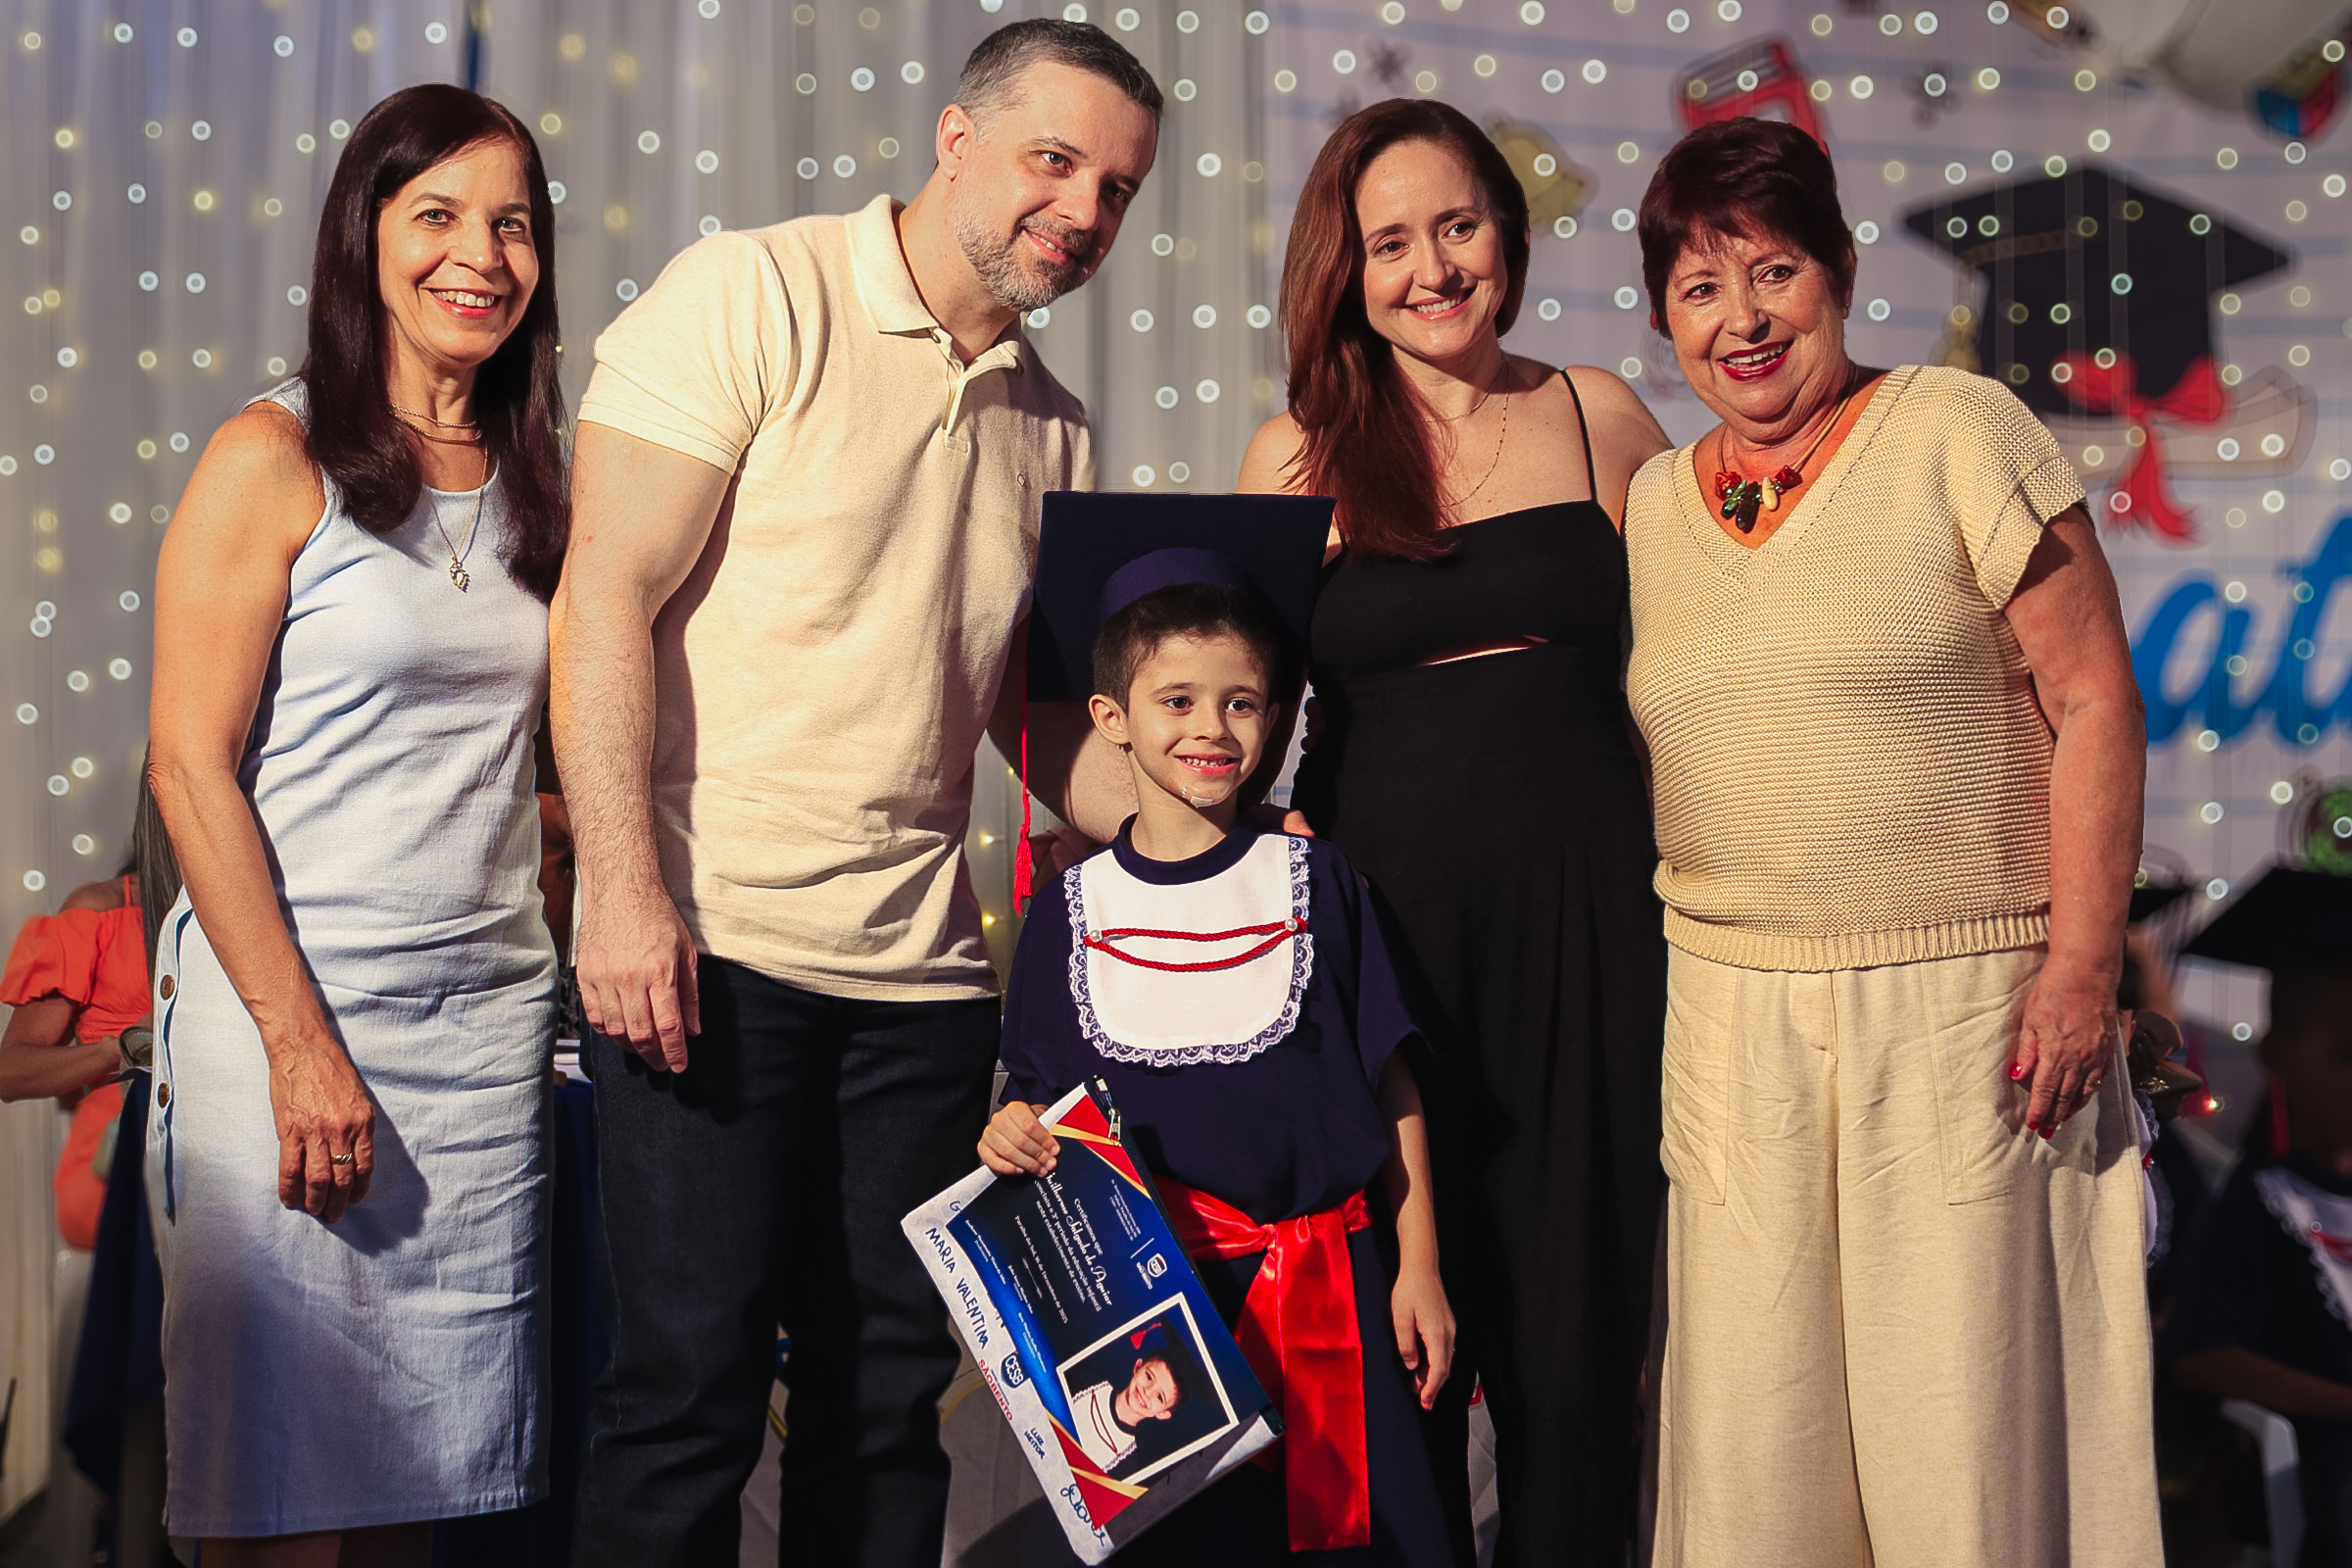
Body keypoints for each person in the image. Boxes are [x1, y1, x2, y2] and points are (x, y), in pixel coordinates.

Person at [549, 21, 1159, 1564]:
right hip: (707, 953)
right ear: (956, 137)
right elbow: (603, 593)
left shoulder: (1056, 423)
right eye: (1054, 161)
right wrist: (619, 890)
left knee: (885, 1414)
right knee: (684, 1402)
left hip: (924, 993)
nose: (1083, 212)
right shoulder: (751, 291)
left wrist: (1204, 834)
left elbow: (1030, 714)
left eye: (1117, 189)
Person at [1622, 117, 2157, 1565]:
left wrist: (2082, 969)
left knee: (1961, 1459)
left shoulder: (1957, 430)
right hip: (1729, 1024)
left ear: (1843, 274)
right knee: (1754, 1476)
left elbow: (2095, 697)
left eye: (1774, 273)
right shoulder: (1653, 506)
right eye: (1700, 288)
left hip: (1967, 1014)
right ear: (1663, 316)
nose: (1742, 320)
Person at [1236, 97, 1673, 1564]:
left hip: (1594, 937)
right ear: (1343, 269)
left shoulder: (1598, 414)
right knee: (1391, 1362)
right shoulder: (1295, 455)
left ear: (1509, 234)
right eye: (1390, 242)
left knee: (1577, 1358)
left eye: (1459, 226)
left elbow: (1704, 672)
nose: (1432, 268)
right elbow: (1231, 723)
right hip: (1385, 953)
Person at [145, 83, 565, 1563]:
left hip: (482, 1045)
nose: (481, 257)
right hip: (293, 1017)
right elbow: (187, 766)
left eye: (513, 224)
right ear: (363, 237)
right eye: (437, 215)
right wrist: (297, 1045)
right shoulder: (272, 454)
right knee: (271, 1506)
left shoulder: (549, 479)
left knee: (421, 1502)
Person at [981, 533, 1454, 1565]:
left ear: (1274, 717)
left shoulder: (1319, 882)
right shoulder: (1069, 912)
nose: (1211, 727)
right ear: (1110, 718)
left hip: (1333, 1295)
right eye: (1177, 700)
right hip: (1162, 1327)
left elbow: (1392, 1079)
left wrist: (1419, 1263)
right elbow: (1037, 1110)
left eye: (1242, 702)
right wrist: (1006, 1131)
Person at [2164, 866, 2352, 1567]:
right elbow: (2201, 1355)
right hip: (2327, 1460)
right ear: (2278, 1056)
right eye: (2346, 1056)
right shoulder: (2261, 1199)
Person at [1068, 1332, 1188, 1474]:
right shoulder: (1090, 1383)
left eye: (1160, 1397)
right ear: (1138, 1367)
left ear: (1163, 1413)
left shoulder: (1127, 1462)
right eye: (1149, 1377)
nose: (1147, 1392)